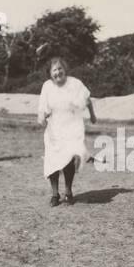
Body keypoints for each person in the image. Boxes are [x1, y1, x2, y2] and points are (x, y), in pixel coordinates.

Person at [37, 57, 96, 206]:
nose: (58, 72)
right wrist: (42, 118)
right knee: (52, 160)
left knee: (69, 158)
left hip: (71, 126)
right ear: (50, 74)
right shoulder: (47, 86)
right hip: (54, 129)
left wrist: (93, 115)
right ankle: (55, 194)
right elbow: (42, 108)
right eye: (54, 70)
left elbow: (87, 99)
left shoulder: (75, 83)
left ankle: (68, 191)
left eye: (60, 69)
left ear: (65, 69)